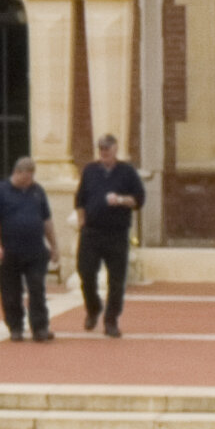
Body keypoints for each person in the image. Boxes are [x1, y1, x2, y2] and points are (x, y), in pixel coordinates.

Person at [74, 132, 145, 338]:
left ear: (115, 149)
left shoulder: (127, 172)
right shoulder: (90, 170)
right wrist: (81, 221)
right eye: (101, 148)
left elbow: (139, 200)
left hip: (116, 233)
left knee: (116, 280)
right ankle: (93, 307)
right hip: (91, 232)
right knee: (85, 272)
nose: (104, 152)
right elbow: (80, 199)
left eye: (107, 148)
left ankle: (111, 319)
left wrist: (121, 200)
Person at [0, 153, 55, 342]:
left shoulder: (37, 191)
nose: (28, 180)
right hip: (9, 251)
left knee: (38, 288)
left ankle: (40, 327)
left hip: (35, 250)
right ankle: (15, 326)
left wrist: (54, 245)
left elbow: (46, 220)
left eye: (31, 176)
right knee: (10, 292)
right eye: (26, 176)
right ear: (17, 172)